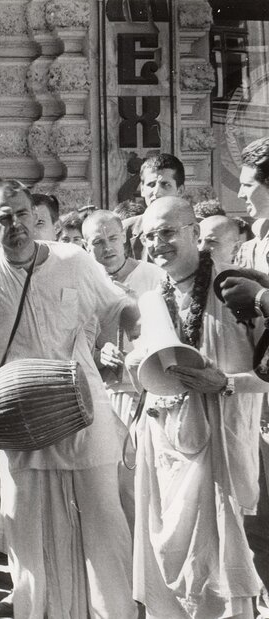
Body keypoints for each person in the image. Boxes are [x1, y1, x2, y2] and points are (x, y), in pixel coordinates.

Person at [0, 179, 140, 619]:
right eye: (4, 218)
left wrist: (145, 344)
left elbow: (119, 306)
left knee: (104, 527)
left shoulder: (74, 260)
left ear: (34, 214)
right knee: (27, 535)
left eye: (22, 213)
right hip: (22, 420)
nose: (17, 225)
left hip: (85, 412)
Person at [132, 197, 265, 618]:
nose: (158, 243)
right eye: (150, 236)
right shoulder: (153, 297)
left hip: (223, 450)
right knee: (169, 566)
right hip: (167, 451)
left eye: (168, 231)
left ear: (195, 231)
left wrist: (225, 382)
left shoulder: (236, 289)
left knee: (225, 569)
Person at [82, 210, 163, 530]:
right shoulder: (86, 281)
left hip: (146, 394)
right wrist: (99, 352)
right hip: (101, 397)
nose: (107, 248)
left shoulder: (153, 276)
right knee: (109, 487)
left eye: (113, 238)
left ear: (125, 239)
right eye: (97, 242)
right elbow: (73, 337)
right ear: (88, 248)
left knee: (140, 484)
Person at [220, 135, 269, 602]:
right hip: (261, 400)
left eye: (250, 184)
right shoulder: (258, 242)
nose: (242, 194)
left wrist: (259, 296)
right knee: (257, 518)